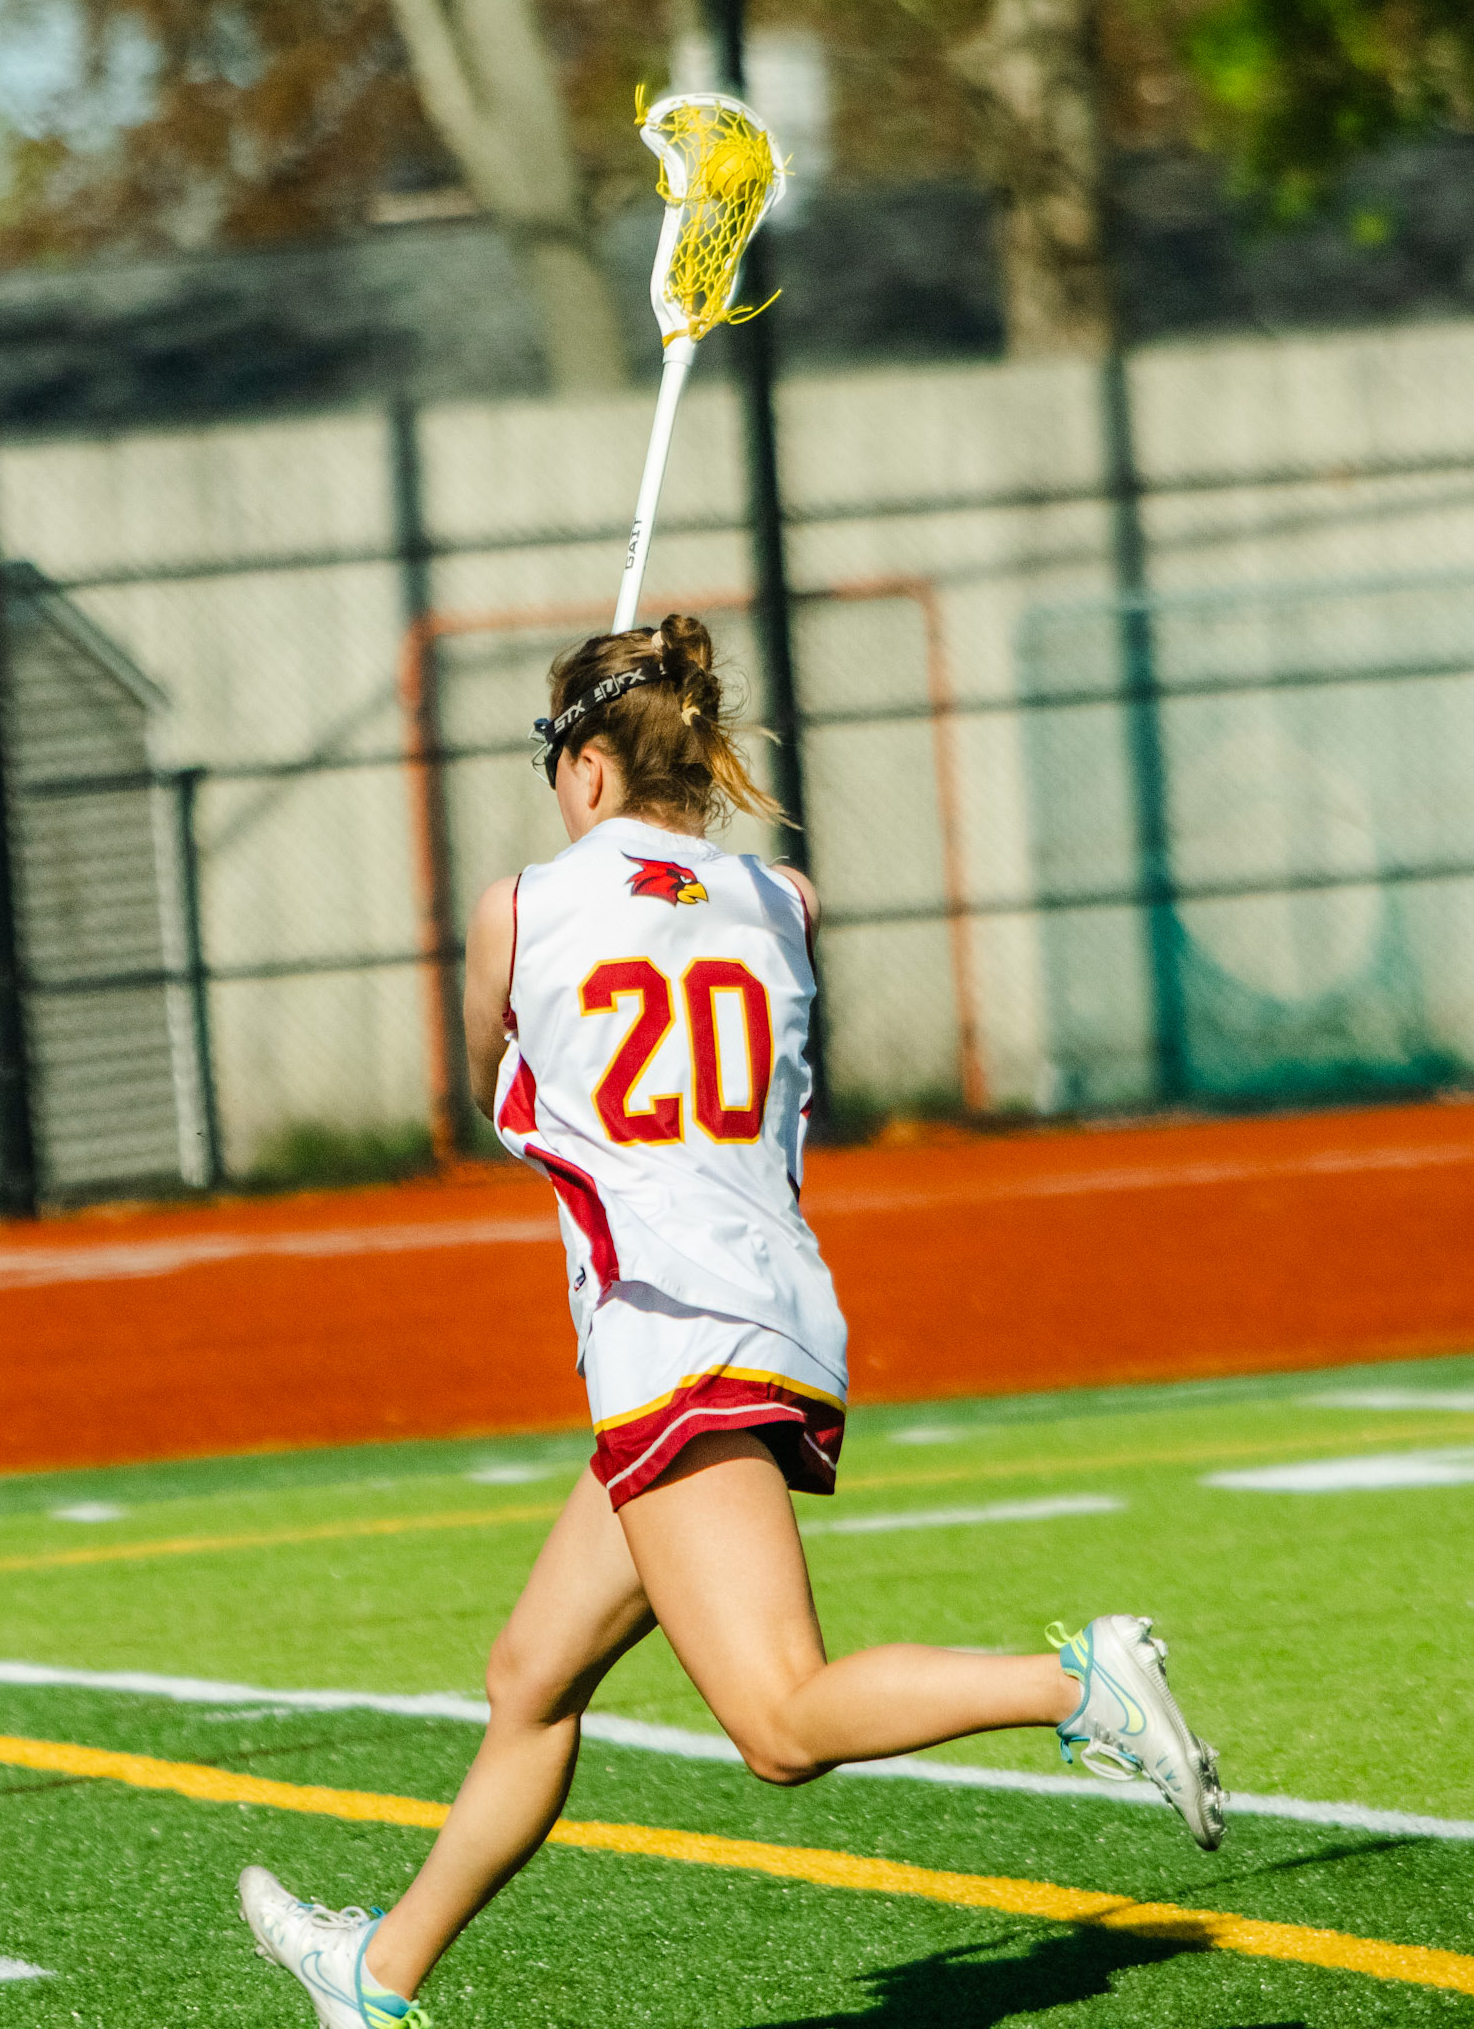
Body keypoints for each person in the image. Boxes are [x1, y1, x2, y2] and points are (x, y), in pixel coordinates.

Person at [239, 614, 1224, 2028]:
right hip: (767, 1318)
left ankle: (1074, 1686)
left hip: (669, 1334)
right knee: (531, 1677)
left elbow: (483, 1065)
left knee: (777, 1723)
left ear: (585, 767)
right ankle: (376, 1976)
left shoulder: (519, 908)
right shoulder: (784, 900)